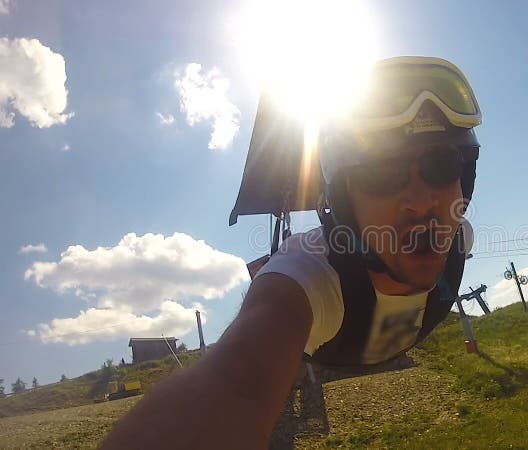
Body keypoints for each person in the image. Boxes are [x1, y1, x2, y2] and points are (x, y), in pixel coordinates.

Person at [101, 56, 481, 449]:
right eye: (381, 174)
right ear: (344, 200)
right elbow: (237, 376)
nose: (421, 202)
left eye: (441, 165)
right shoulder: (308, 277)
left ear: (464, 182)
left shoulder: (458, 239)